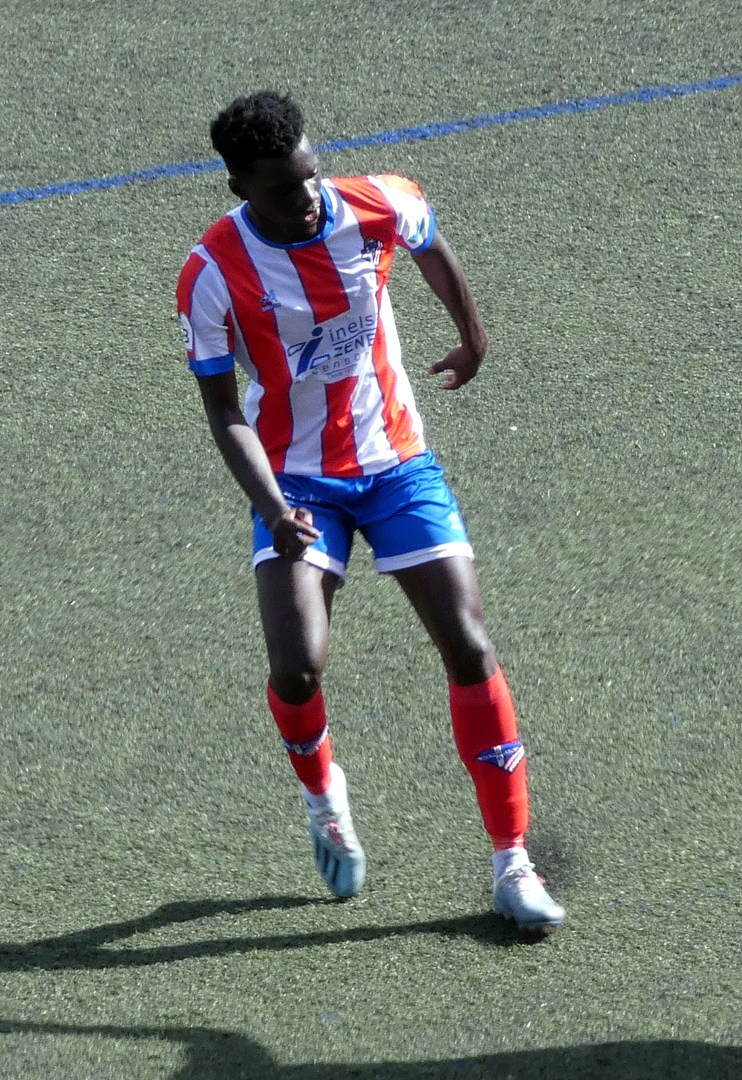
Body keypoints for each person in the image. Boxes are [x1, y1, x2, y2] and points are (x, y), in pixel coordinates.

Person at [176, 91, 563, 933]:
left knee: (469, 644)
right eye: (283, 189)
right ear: (240, 185)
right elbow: (223, 412)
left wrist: (473, 332)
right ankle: (325, 799)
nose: (307, 197)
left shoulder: (372, 202)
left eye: (310, 174)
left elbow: (428, 241)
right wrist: (274, 509)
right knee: (297, 667)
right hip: (297, 485)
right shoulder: (211, 272)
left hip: (396, 464)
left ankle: (512, 863)